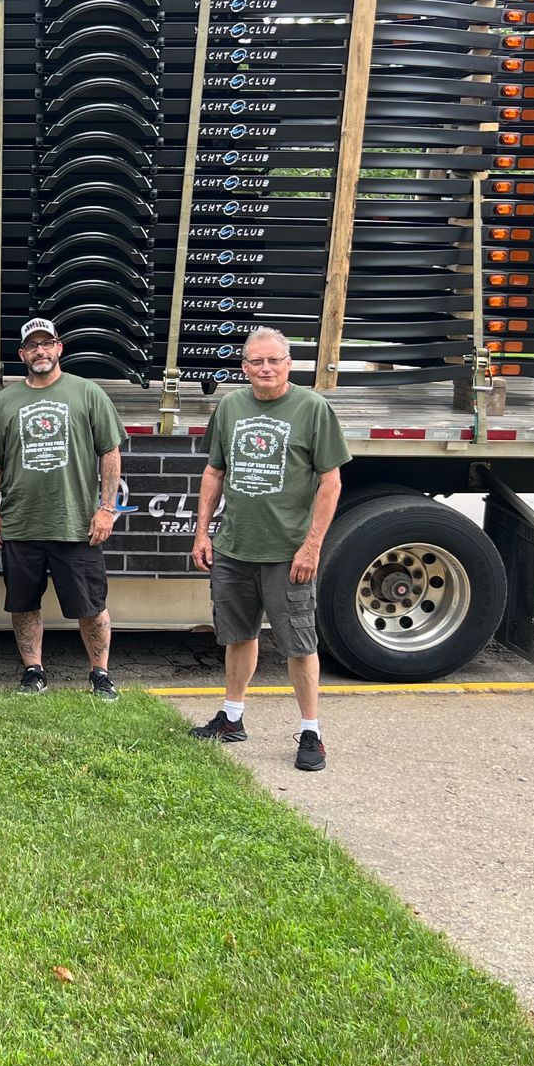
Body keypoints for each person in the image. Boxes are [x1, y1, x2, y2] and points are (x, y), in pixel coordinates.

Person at [188, 327, 348, 772]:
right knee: (238, 636)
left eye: (274, 360)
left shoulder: (312, 409)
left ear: (288, 364)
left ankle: (311, 732)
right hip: (235, 548)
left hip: (287, 553)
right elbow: (214, 472)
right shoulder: (230, 407)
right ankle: (232, 717)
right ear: (244, 367)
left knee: (298, 644)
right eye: (256, 361)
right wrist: (203, 533)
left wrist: (311, 546)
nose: (265, 368)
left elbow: (330, 483)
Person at [0, 317, 124, 697]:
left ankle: (100, 674)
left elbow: (110, 452)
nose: (40, 351)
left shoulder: (87, 393)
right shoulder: (6, 401)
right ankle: (33, 671)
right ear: (22, 354)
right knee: (24, 604)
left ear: (59, 347)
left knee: (92, 605)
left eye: (46, 343)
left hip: (76, 523)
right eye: (32, 345)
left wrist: (107, 508)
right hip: (21, 523)